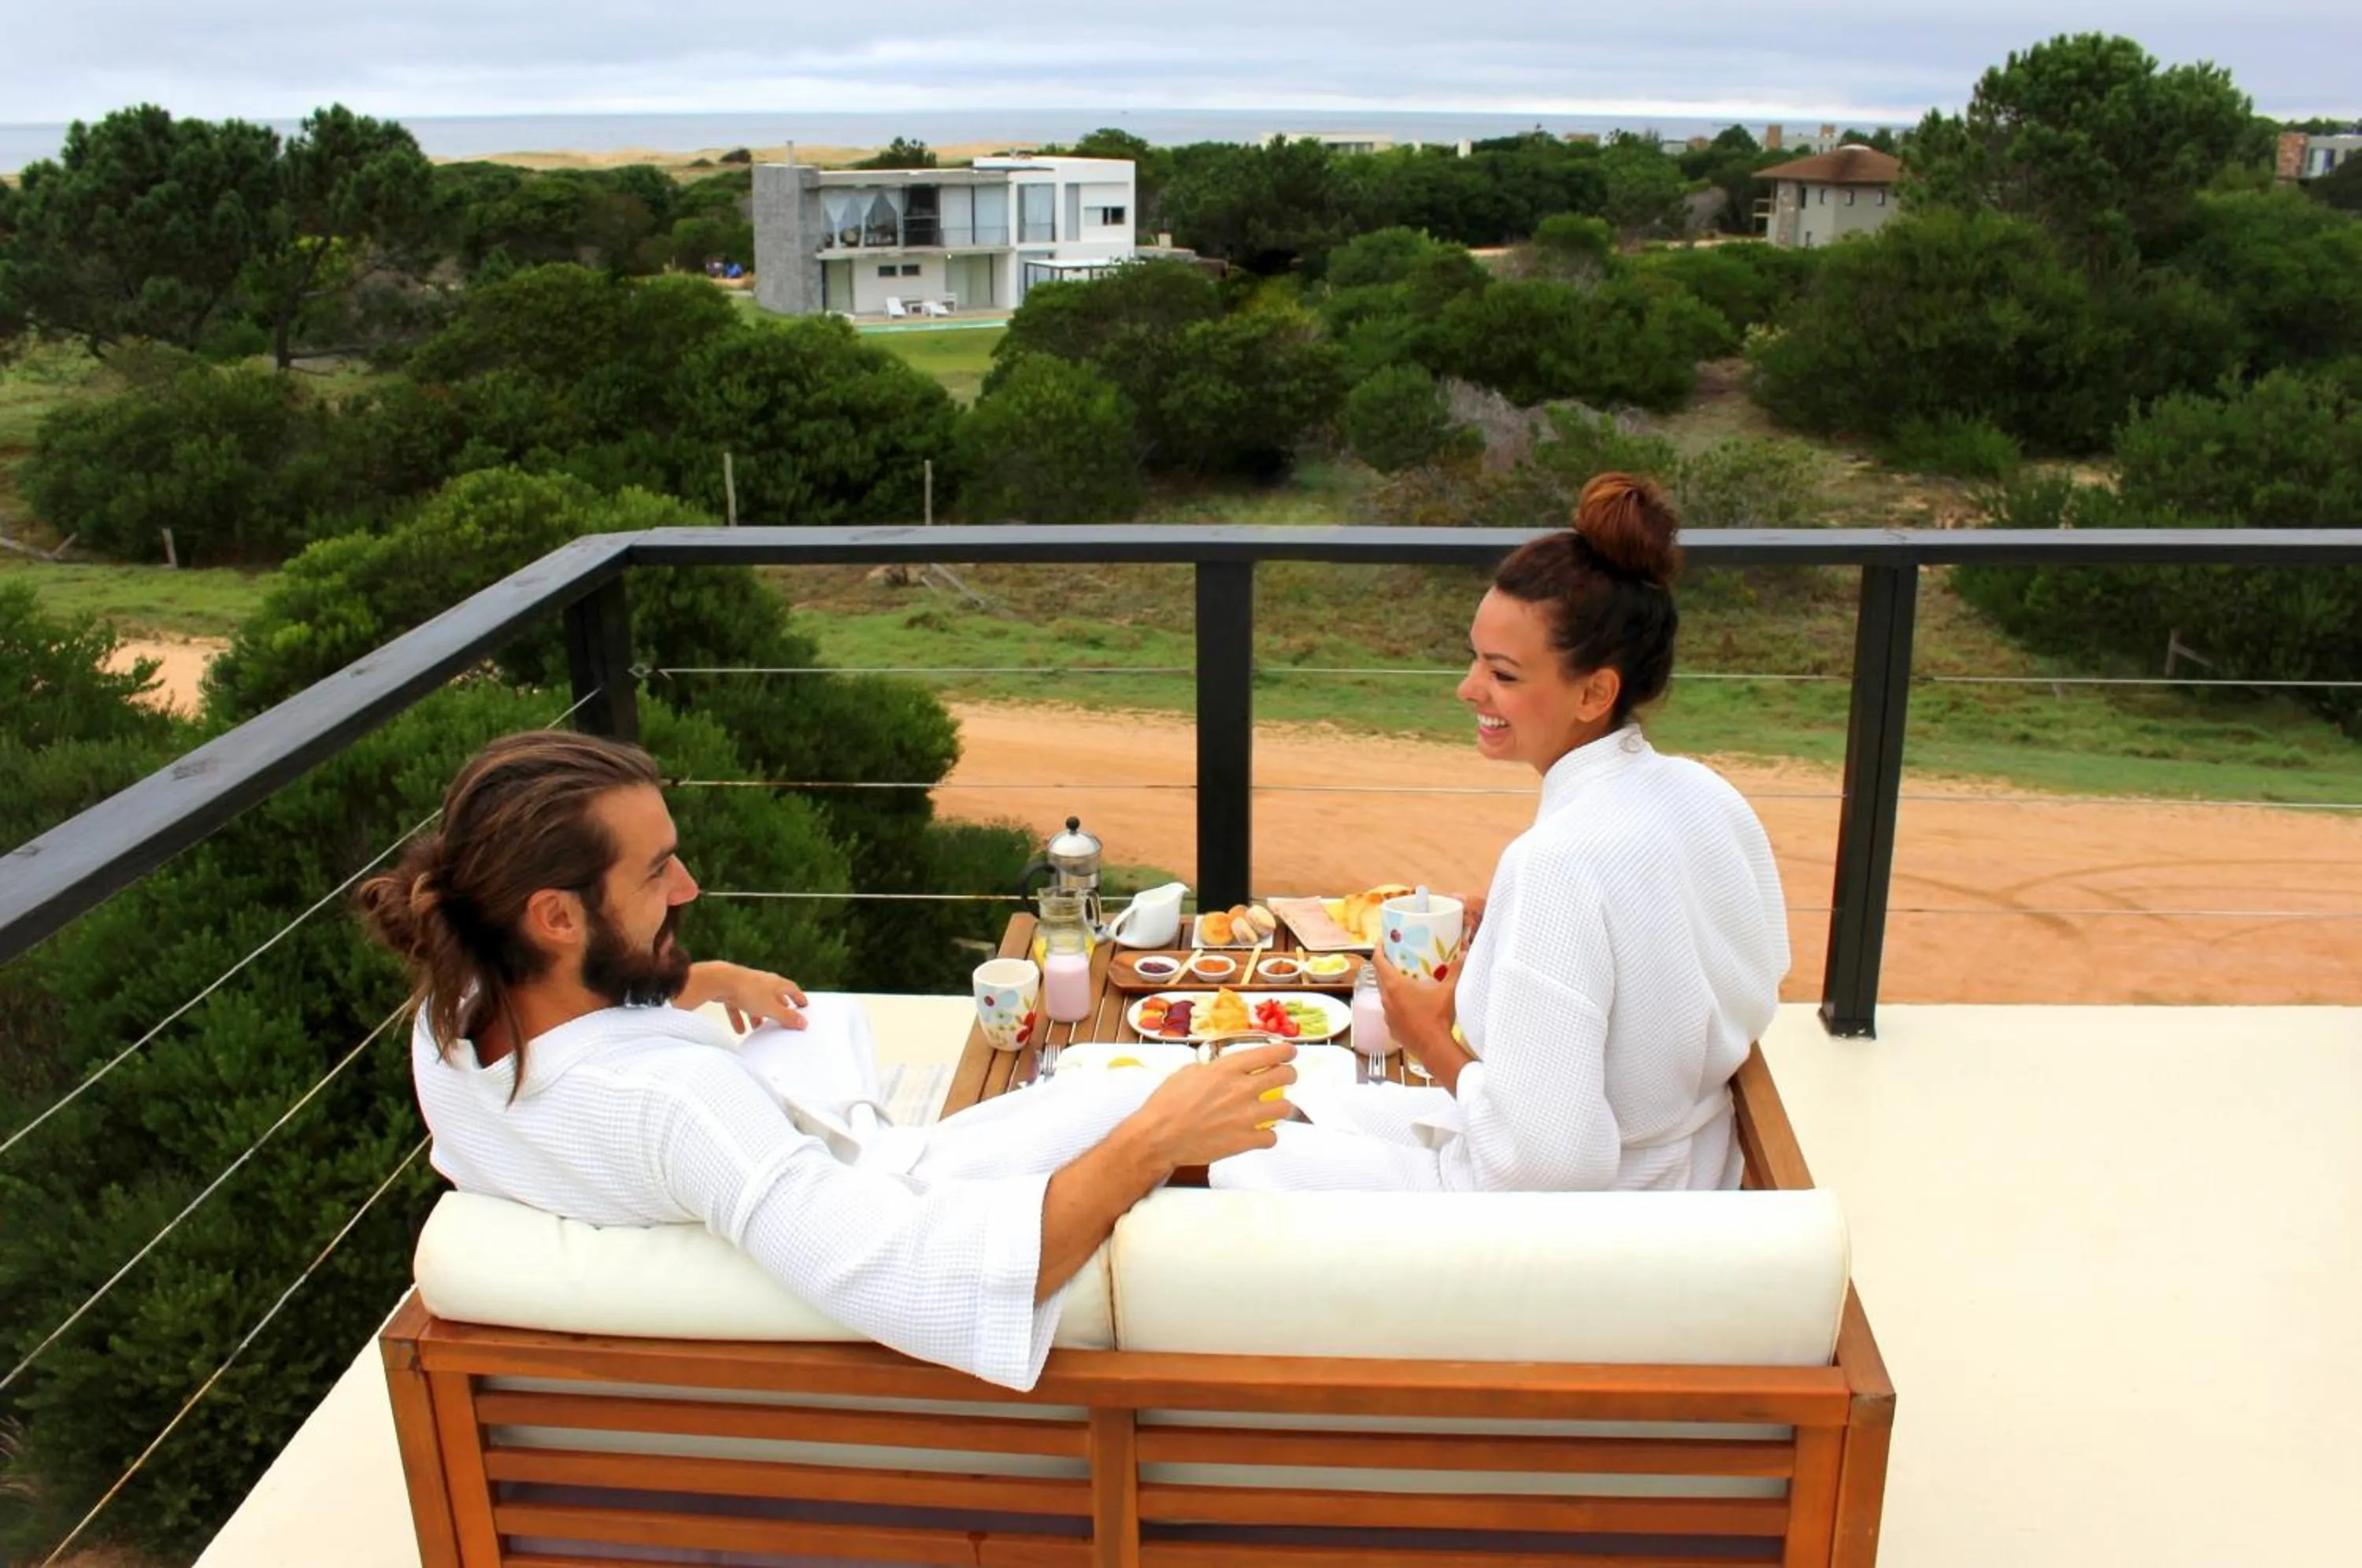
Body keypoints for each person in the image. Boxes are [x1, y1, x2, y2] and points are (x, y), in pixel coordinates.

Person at [358, 730, 1294, 1392]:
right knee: (1152, 1102)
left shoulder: (453, 1024)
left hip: (720, 1252)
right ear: (556, 918)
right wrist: (1153, 1143)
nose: (688, 887)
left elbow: (581, 1024)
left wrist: (697, 980)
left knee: (1118, 1090)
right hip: (907, 1255)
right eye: (656, 873)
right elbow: (926, 1284)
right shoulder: (679, 1108)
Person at [1213, 473, 1786, 1194]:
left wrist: (1424, 1035)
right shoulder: (1704, 795)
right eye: (1476, 657)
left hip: (1579, 1224)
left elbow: (1552, 1166)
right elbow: (1724, 969)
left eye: (1503, 673)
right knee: (1286, 1102)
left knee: (1227, 1158)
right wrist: (1515, 933)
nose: (1469, 688)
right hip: (1689, 1164)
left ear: (1594, 693)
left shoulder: (1557, 862)